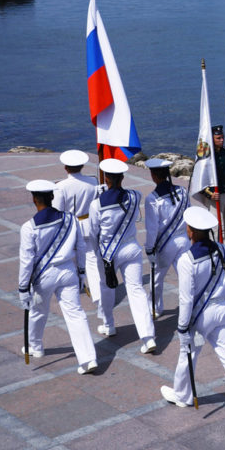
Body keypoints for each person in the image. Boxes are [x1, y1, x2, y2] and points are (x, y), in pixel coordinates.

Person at [163, 205, 225, 423]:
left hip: (201, 315)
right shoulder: (223, 250)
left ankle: (182, 395)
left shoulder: (186, 260)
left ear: (191, 231)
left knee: (187, 353)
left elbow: (186, 299)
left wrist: (183, 327)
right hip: (222, 309)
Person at [18, 179, 98, 373]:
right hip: (68, 271)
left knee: (38, 312)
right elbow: (80, 247)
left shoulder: (29, 227)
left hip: (43, 275)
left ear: (34, 199)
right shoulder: (70, 219)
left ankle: (35, 347)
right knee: (76, 314)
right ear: (52, 197)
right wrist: (81, 273)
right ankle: (88, 359)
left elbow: (26, 261)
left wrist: (23, 288)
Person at [92, 158, 157, 352]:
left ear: (106, 179)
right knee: (137, 291)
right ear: (122, 178)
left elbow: (92, 232)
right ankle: (148, 337)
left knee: (106, 287)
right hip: (131, 248)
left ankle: (109, 324)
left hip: (109, 253)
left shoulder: (97, 204)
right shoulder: (135, 196)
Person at [52, 149, 103, 320]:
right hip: (89, 224)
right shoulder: (92, 181)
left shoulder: (60, 187)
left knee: (71, 261)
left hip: (72, 226)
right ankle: (98, 297)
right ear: (82, 166)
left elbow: (58, 211)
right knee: (91, 261)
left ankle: (77, 291)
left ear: (66, 168)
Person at [143, 158, 190, 317]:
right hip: (184, 238)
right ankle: (191, 304)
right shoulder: (182, 191)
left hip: (165, 244)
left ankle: (155, 309)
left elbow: (152, 228)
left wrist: (149, 249)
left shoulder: (152, 198)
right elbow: (189, 215)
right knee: (186, 275)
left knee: (156, 277)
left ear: (154, 176)